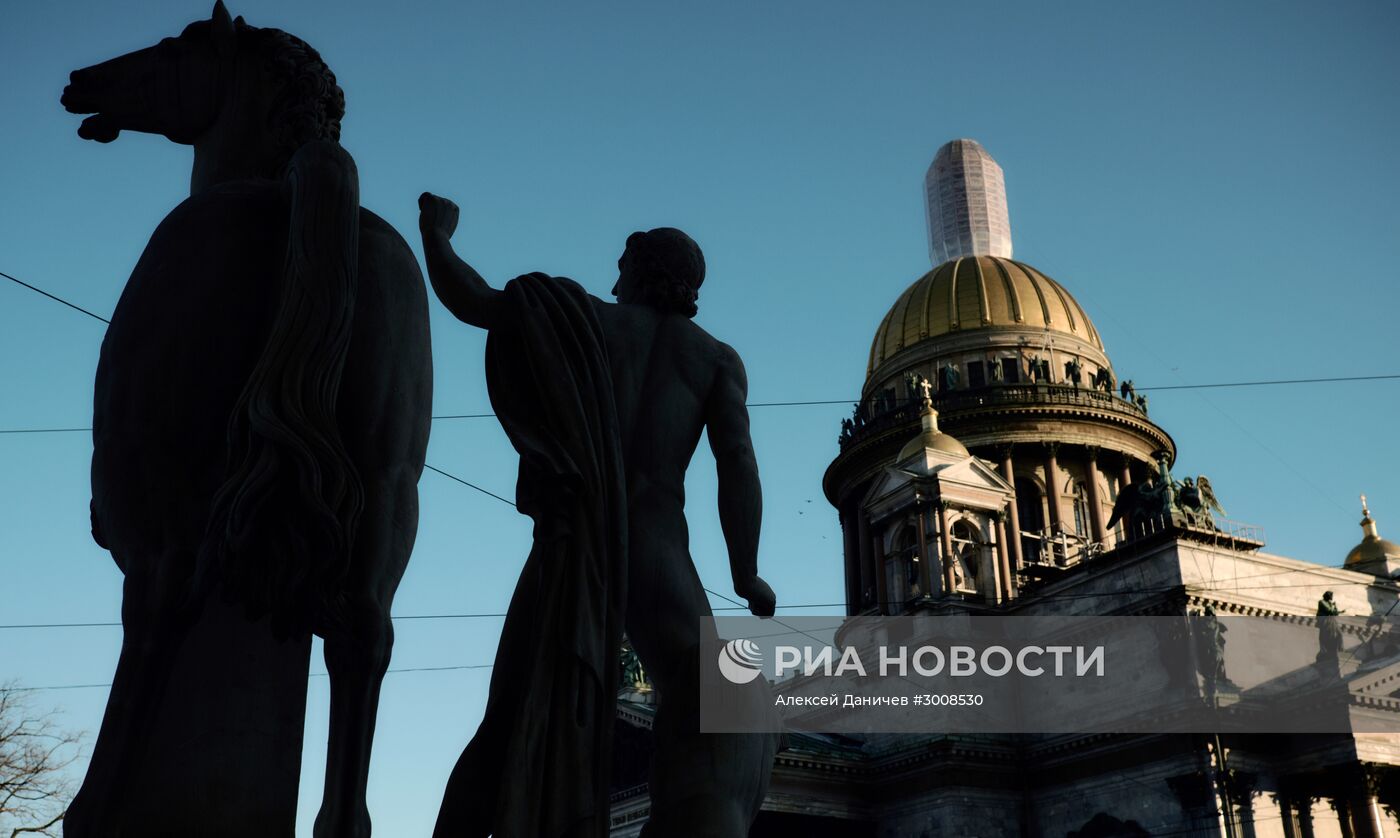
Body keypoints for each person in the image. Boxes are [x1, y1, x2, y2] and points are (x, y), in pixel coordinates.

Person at [418, 193, 778, 838]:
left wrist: (437, 237)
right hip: (662, 552)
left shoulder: (582, 318)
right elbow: (739, 468)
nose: (613, 276)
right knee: (716, 702)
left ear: (640, 271)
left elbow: (473, 301)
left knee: (507, 724)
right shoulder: (717, 359)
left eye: (621, 263)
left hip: (579, 541)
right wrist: (747, 572)